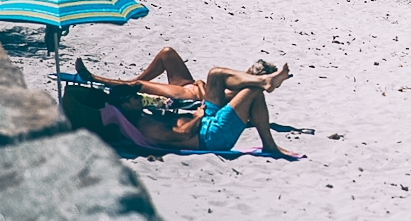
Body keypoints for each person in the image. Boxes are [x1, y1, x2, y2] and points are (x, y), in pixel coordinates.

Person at [105, 62, 293, 155]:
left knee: (216, 74)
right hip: (212, 135)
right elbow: (182, 134)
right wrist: (198, 115)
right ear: (125, 104)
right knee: (253, 91)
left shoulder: (143, 116)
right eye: (135, 98)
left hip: (207, 122)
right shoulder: (146, 126)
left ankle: (264, 80)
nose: (140, 99)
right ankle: (270, 145)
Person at [76, 47, 278, 102]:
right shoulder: (241, 82)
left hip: (188, 95)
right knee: (167, 54)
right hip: (192, 85)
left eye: (253, 71)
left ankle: (94, 78)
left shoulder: (246, 93)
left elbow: (212, 100)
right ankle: (131, 80)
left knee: (137, 88)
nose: (248, 71)